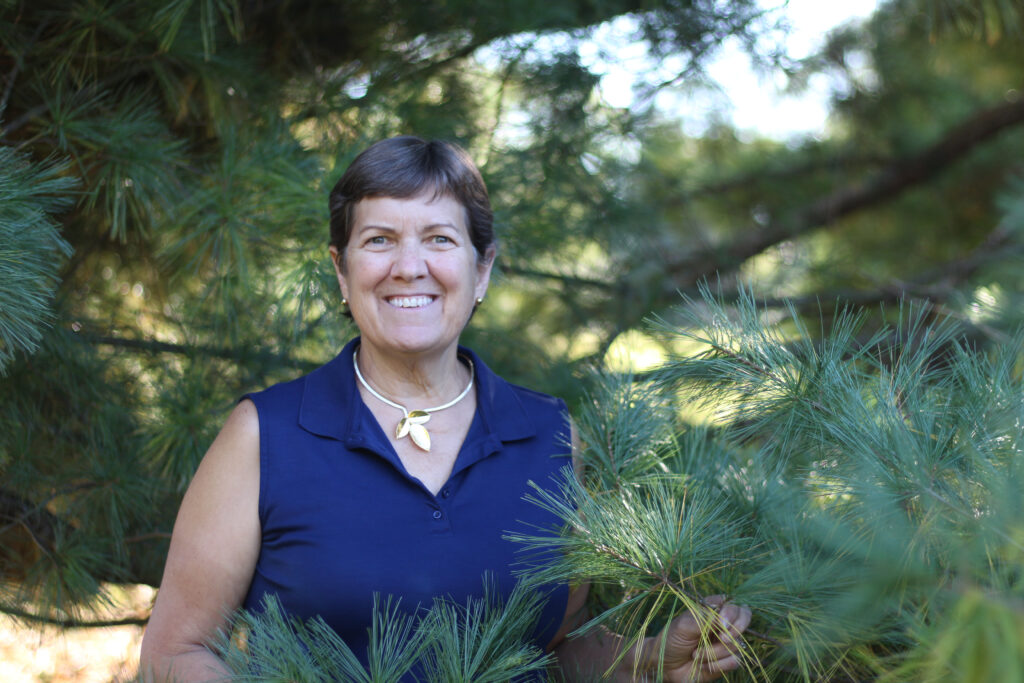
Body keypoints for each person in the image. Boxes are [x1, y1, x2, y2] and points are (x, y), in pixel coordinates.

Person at [139, 135, 751, 682]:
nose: (410, 267)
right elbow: (174, 652)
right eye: (379, 240)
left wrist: (647, 660)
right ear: (341, 272)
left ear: (481, 268)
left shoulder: (550, 436)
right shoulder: (264, 435)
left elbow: (554, 647)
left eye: (439, 239)